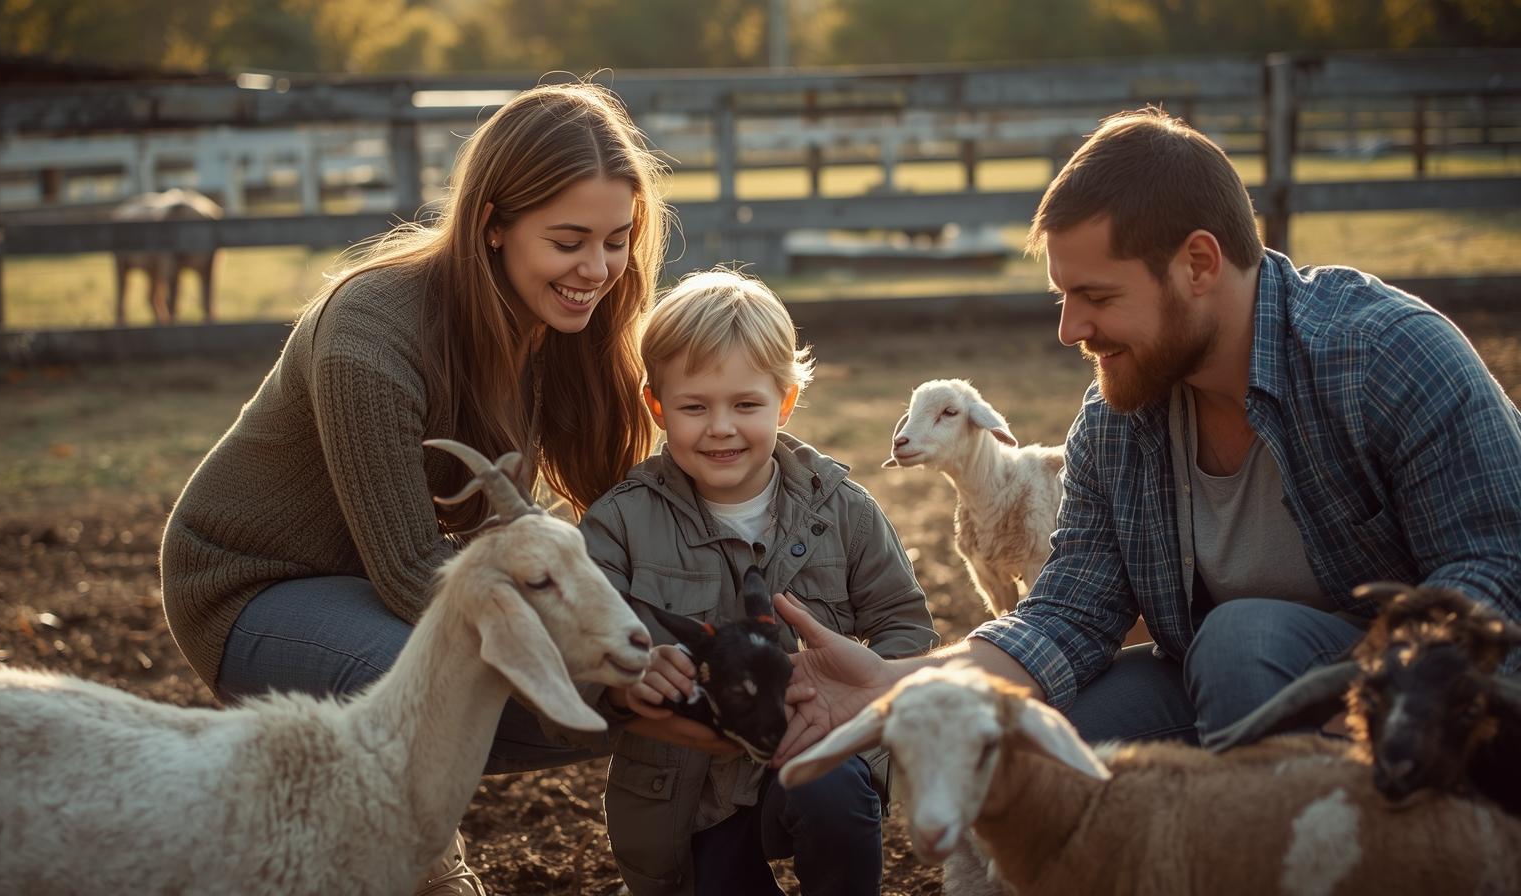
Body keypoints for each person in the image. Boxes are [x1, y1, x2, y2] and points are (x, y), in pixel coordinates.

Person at [772, 106, 1521, 766]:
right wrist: (892, 683)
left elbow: (1496, 562)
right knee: (1030, 740)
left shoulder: (1387, 354)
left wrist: (1394, 691)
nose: (1071, 331)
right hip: (1219, 685)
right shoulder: (1117, 423)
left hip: (1419, 696)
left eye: (1096, 297)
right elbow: (1066, 615)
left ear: (1198, 264)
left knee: (1240, 640)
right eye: (1064, 297)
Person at [158, 82, 671, 895]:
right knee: (489, 671)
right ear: (493, 223)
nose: (599, 269)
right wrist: (619, 661)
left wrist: (688, 635)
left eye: (617, 240)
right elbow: (410, 575)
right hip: (252, 590)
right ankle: (424, 868)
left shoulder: (564, 325)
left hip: (380, 584)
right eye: (570, 240)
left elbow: (616, 516)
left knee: (648, 686)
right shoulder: (371, 333)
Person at [576, 269, 938, 896]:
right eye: (694, 407)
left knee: (834, 798)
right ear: (656, 405)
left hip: (814, 750)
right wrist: (626, 671)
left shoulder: (842, 510)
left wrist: (862, 692)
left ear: (785, 401)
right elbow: (574, 640)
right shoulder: (620, 523)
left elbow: (905, 625)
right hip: (687, 793)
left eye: (746, 405)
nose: (721, 428)